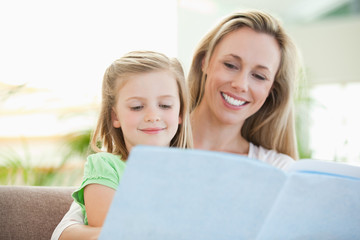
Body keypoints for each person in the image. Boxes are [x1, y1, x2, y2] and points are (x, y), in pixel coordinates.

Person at [52, 9, 301, 239]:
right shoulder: (149, 147)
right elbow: (68, 231)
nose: (241, 84)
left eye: (259, 75)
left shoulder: (278, 169)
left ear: (272, 89)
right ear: (205, 62)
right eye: (230, 65)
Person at [51, 50, 193, 239]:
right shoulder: (105, 166)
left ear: (180, 113)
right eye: (137, 107)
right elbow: (113, 234)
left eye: (165, 105)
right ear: (115, 116)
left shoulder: (192, 172)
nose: (152, 116)